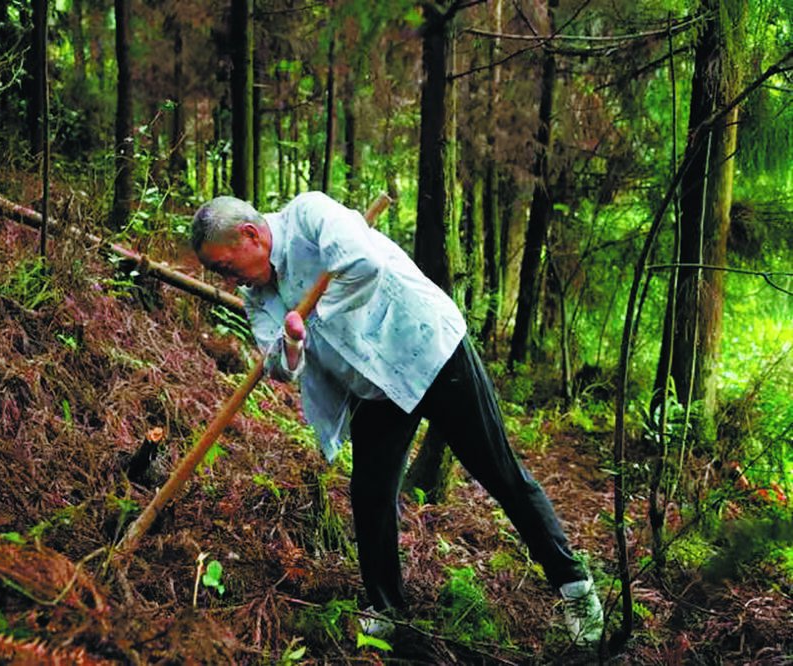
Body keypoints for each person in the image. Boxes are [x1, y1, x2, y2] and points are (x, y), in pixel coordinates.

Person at [190, 192, 603, 646]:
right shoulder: (257, 296)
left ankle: (575, 588)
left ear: (251, 235)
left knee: (499, 472)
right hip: (376, 387)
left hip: (429, 350)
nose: (229, 281)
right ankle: (387, 608)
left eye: (226, 267)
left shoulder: (309, 216)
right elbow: (279, 368)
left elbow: (365, 263)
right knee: (370, 495)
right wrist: (292, 344)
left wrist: (317, 316)